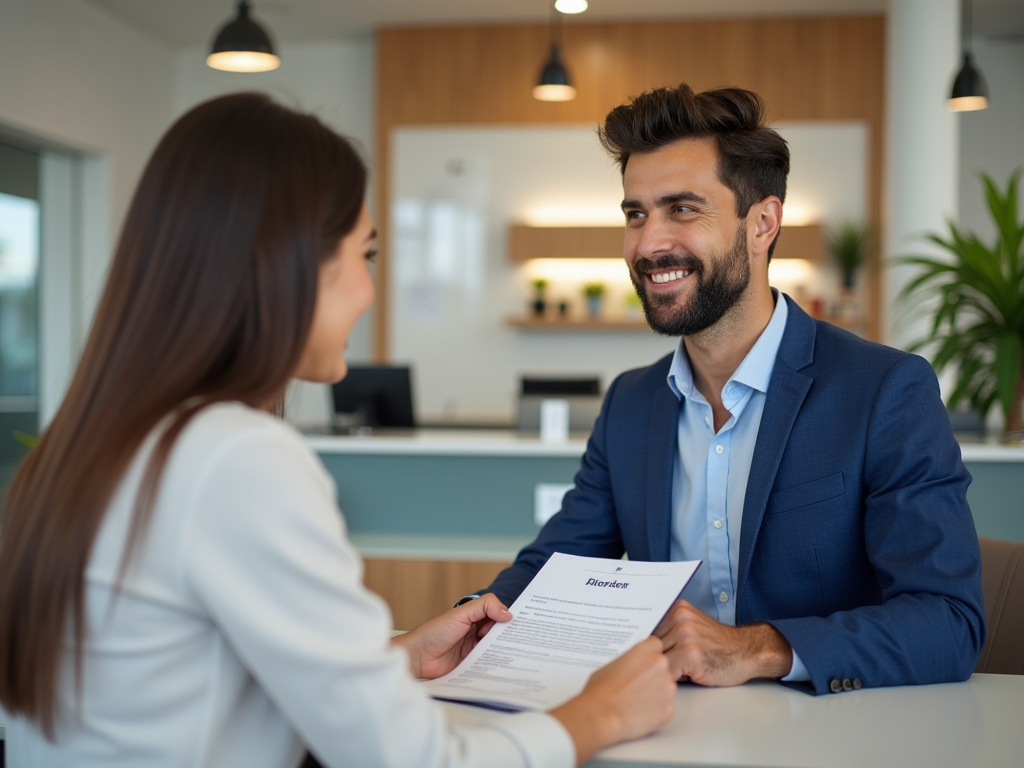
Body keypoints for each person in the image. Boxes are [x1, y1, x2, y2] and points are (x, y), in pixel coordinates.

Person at [0, 93, 676, 768]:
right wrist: (601, 713)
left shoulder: (84, 448)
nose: (369, 291)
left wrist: (391, 658)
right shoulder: (236, 457)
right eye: (366, 254)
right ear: (287, 262)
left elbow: (177, 673)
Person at [477, 83, 986, 696]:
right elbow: (554, 570)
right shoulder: (631, 404)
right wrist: (477, 617)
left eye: (682, 209)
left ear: (763, 223)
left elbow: (948, 622)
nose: (648, 243)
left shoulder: (884, 390)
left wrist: (756, 648)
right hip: (665, 732)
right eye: (635, 213)